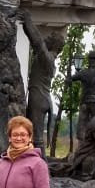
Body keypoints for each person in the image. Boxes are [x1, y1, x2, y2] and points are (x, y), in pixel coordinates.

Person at [18, 9, 65, 154]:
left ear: (55, 44)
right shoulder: (47, 58)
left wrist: (28, 20)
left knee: (36, 138)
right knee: (32, 135)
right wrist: (25, 24)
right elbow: (35, 42)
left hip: (39, 98)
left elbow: (37, 42)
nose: (47, 37)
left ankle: (41, 167)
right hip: (40, 97)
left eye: (51, 37)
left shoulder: (48, 59)